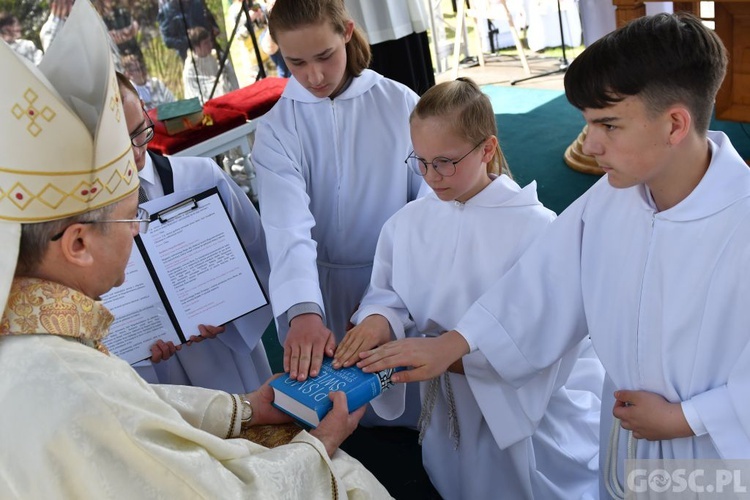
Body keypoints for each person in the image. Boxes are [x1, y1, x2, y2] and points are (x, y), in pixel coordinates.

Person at [0, 2, 391, 497]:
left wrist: (243, 406)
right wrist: (322, 445)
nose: (138, 231)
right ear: (77, 243)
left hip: (225, 357)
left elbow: (139, 408)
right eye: (130, 219)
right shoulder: (70, 379)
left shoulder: (39, 335)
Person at [358, 12, 750, 498]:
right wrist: (452, 344)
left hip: (717, 446)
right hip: (630, 429)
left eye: (608, 124)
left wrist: (686, 418)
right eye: (588, 123)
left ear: (674, 124)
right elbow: (540, 287)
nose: (590, 143)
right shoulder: (610, 199)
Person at [333, 78, 602, 499]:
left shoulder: (536, 229)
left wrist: (453, 354)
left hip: (512, 409)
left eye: (444, 161)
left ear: (487, 150)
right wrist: (376, 321)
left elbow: (543, 328)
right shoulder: (407, 223)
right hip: (444, 404)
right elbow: (391, 295)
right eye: (419, 161)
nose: (431, 177)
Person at [115, 71, 272, 394]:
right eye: (117, 145)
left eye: (139, 132)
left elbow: (259, 250)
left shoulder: (200, 177)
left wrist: (231, 311)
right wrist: (139, 351)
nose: (134, 152)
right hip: (158, 373)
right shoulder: (88, 223)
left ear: (145, 110)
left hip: (224, 349)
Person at [183, 25, 237, 104]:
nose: (210, 45)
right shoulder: (190, 70)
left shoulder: (218, 56)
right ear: (197, 47)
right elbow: (193, 96)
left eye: (210, 41)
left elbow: (232, 78)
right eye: (205, 43)